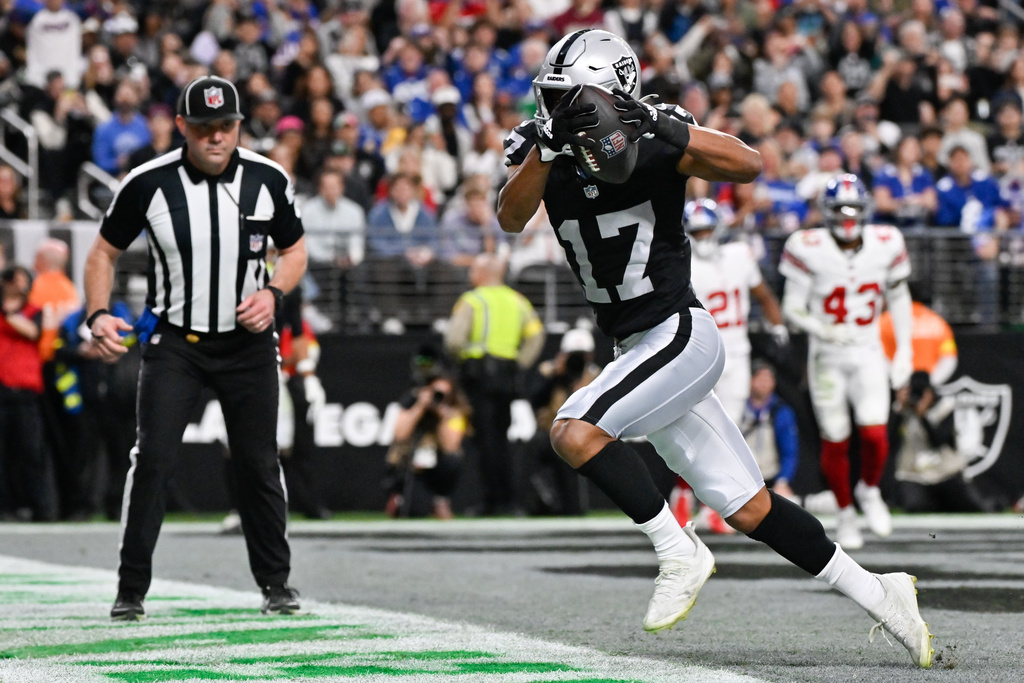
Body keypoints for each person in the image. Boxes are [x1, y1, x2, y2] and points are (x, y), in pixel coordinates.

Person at [497, 29, 932, 668]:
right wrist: (545, 145)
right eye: (552, 97)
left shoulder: (654, 133)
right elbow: (510, 217)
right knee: (749, 508)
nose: (555, 108)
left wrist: (653, 123)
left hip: (678, 331)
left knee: (573, 431)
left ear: (612, 94)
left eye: (569, 97)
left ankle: (678, 550)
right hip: (634, 344)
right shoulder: (543, 147)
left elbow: (749, 165)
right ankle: (881, 594)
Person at [83, 75, 308, 621]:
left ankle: (276, 584)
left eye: (226, 125)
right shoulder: (147, 182)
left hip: (248, 345)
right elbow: (102, 254)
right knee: (153, 460)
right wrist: (98, 313)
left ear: (239, 126)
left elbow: (295, 250)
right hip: (175, 344)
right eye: (204, 127)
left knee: (258, 462)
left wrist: (273, 293)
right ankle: (130, 590)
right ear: (182, 126)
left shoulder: (268, 179)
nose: (216, 137)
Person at [779, 174, 915, 551]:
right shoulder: (808, 246)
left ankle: (869, 489)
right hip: (827, 356)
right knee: (835, 438)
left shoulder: (887, 242)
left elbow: (899, 298)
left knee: (874, 433)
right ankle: (844, 513)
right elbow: (792, 308)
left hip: (868, 349)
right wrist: (822, 329)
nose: (847, 215)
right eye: (840, 208)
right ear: (826, 211)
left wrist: (904, 350)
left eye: (853, 208)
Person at [670, 197, 789, 533]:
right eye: (697, 231)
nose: (703, 236)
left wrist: (778, 327)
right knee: (696, 429)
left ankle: (714, 505)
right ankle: (683, 494)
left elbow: (763, 294)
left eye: (707, 229)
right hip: (699, 353)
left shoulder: (739, 255)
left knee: (728, 431)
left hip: (736, 355)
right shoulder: (681, 263)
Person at [444, 254, 545, 516]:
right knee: (502, 439)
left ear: (482, 273)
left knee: (486, 440)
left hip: (479, 376)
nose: (470, 275)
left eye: (473, 270)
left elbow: (454, 340)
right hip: (507, 378)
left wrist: (463, 360)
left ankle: (493, 501)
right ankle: (510, 501)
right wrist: (519, 363)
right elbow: (536, 336)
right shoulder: (518, 300)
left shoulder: (472, 300)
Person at [384, 351, 470, 520]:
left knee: (453, 460)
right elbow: (400, 435)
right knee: (414, 512)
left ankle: (440, 499)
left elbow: (451, 446)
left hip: (437, 467)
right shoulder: (413, 400)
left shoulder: (456, 409)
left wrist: (441, 413)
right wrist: (420, 407)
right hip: (411, 463)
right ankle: (399, 497)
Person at [0, 265, 56, 522]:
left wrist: (7, 312)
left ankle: (41, 508)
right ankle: (5, 508)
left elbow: (33, 332)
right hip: (2, 391)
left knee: (31, 453)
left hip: (25, 394)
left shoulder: (35, 311)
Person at [526, 327, 602, 516]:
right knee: (533, 450)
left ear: (590, 356)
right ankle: (543, 502)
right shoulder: (549, 372)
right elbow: (535, 400)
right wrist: (555, 377)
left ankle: (573, 506)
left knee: (571, 450)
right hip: (551, 434)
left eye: (581, 356)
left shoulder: (596, 377)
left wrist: (583, 389)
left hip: (583, 437)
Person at [893, 371, 992, 513]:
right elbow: (888, 440)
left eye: (921, 392)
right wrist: (899, 409)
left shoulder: (945, 407)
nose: (917, 397)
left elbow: (938, 443)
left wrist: (923, 416)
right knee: (917, 508)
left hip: (946, 475)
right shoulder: (903, 412)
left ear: (930, 393)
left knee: (971, 508)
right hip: (915, 476)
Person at [738, 360, 800, 502]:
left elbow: (790, 452)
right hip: (739, 477)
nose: (764, 384)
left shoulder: (781, 411)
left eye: (768, 379)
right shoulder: (738, 407)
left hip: (769, 479)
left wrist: (782, 481)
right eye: (760, 379)